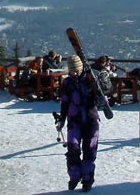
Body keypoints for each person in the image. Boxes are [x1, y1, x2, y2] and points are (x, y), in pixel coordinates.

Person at [56, 55, 99, 192]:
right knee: (73, 149)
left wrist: (97, 89)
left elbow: (100, 97)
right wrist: (62, 119)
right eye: (71, 70)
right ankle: (74, 176)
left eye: (76, 69)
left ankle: (87, 179)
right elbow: (65, 102)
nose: (74, 72)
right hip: (74, 121)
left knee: (89, 150)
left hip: (91, 120)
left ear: (80, 68)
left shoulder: (90, 80)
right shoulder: (67, 83)